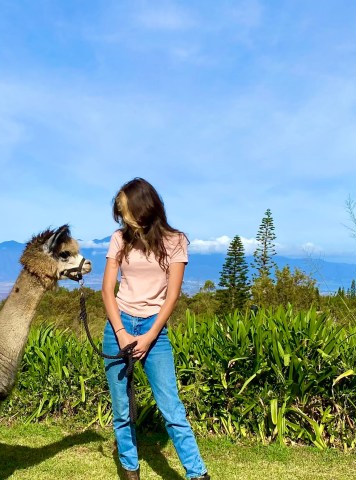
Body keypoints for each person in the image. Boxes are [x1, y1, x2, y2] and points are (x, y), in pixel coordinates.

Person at [102, 178, 210, 480]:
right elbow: (107, 291)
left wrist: (149, 337)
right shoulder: (119, 238)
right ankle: (130, 471)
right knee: (123, 410)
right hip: (118, 325)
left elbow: (172, 296)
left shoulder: (176, 241)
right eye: (120, 213)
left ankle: (197, 474)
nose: (124, 218)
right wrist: (122, 332)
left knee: (171, 409)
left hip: (155, 328)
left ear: (144, 208)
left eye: (127, 211)